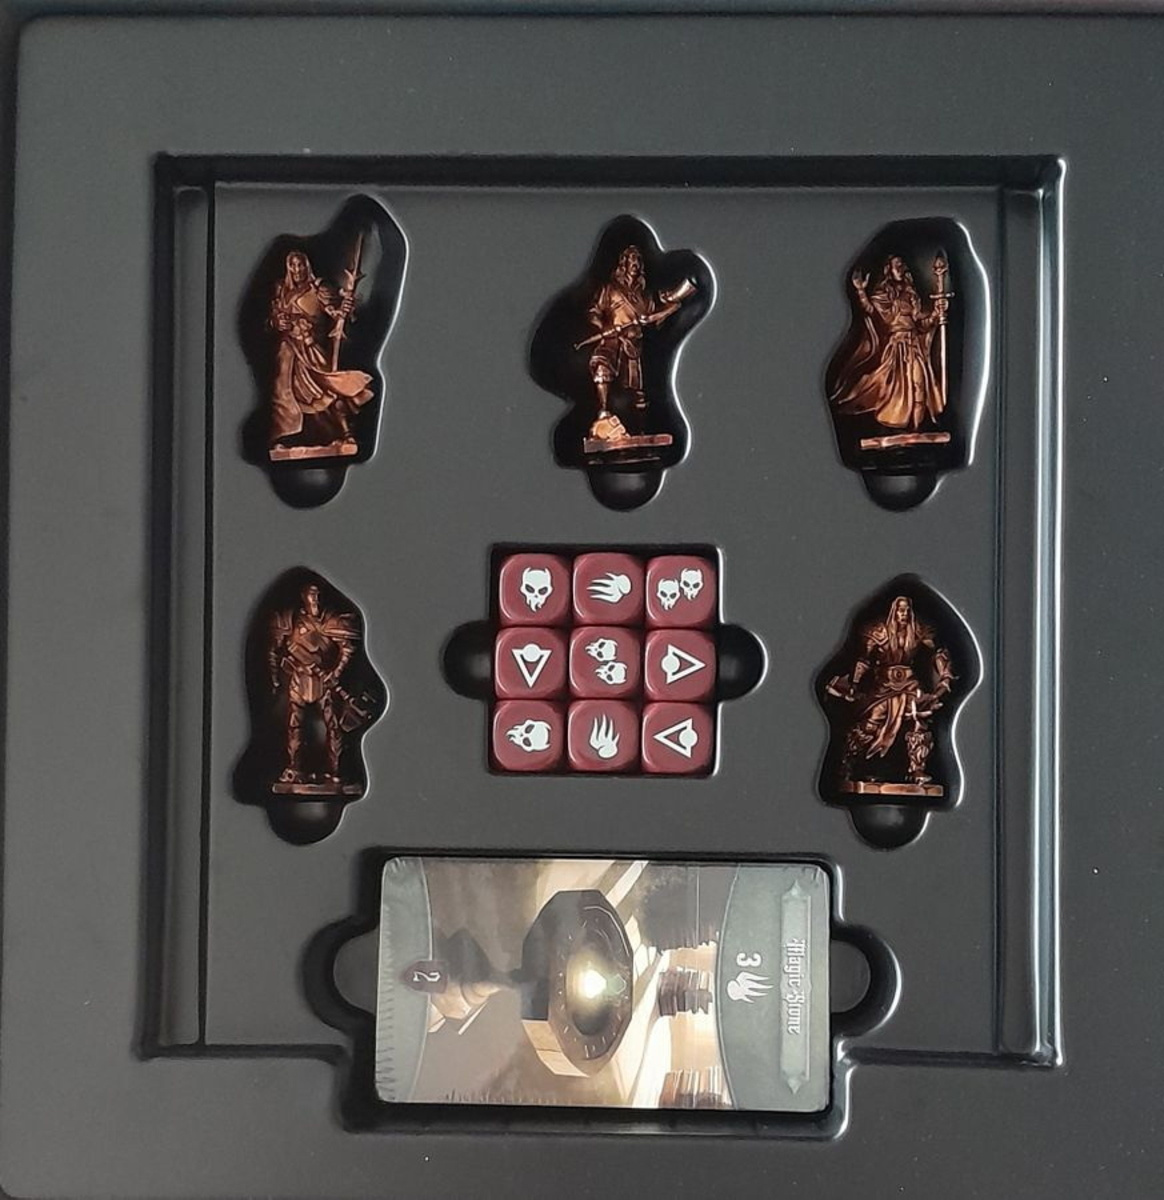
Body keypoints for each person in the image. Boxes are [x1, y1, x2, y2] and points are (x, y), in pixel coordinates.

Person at [836, 595, 953, 787]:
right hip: (883, 685)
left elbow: (938, 651)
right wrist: (854, 684)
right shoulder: (878, 631)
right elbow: (863, 659)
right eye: (900, 610)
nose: (903, 614)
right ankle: (849, 766)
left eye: (906, 610)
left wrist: (945, 675)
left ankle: (917, 770)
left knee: (918, 720)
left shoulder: (918, 630)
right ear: (894, 611)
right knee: (872, 721)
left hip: (910, 685)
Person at [268, 249, 372, 456]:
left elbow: (335, 313)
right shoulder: (281, 291)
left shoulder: (317, 290)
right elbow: (271, 320)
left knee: (326, 388)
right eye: (293, 265)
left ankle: (345, 433)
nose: (297, 269)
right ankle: (287, 435)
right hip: (288, 352)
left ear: (307, 266)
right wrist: (276, 322)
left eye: (300, 264)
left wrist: (345, 309)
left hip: (310, 349)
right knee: (285, 395)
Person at [830, 255, 947, 434]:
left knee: (920, 385)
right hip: (896, 348)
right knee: (894, 388)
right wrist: (861, 292)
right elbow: (872, 313)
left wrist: (935, 314)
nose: (901, 269)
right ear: (889, 270)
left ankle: (916, 430)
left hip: (913, 346)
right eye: (897, 266)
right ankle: (900, 429)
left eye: (902, 265)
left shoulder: (911, 294)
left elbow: (921, 324)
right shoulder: (883, 295)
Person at [268, 583, 358, 789]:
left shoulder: (333, 618)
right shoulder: (289, 618)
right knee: (294, 725)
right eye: (311, 594)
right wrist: (274, 678)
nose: (315, 599)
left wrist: (335, 673)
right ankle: (295, 769)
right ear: (304, 596)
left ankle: (336, 771)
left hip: (324, 682)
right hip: (298, 679)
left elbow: (348, 649)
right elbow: (274, 650)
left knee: (334, 726)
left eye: (318, 594)